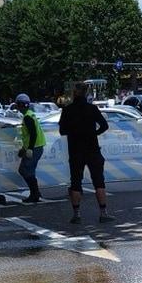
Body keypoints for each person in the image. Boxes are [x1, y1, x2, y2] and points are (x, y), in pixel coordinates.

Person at [57, 85, 110, 224]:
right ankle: (103, 213)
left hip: (75, 151)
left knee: (75, 182)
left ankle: (76, 214)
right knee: (99, 181)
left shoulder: (67, 110)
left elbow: (62, 131)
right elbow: (104, 125)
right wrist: (94, 134)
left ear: (74, 94)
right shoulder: (92, 109)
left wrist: (73, 132)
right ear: (86, 94)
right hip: (92, 149)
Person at [14, 93, 47, 203]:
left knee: (25, 170)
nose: (17, 107)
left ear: (20, 105)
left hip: (35, 148)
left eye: (17, 105)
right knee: (29, 171)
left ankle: (35, 194)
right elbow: (29, 135)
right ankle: (35, 193)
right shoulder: (30, 114)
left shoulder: (28, 117)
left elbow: (33, 134)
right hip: (36, 147)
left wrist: (29, 149)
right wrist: (24, 149)